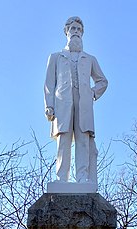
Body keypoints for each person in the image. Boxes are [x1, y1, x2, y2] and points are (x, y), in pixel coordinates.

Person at [44, 16, 108, 184]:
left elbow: (102, 81)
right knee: (63, 140)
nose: (76, 32)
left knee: (83, 140)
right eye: (73, 29)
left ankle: (82, 177)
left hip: (84, 103)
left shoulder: (90, 59)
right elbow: (49, 84)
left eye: (79, 30)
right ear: (66, 32)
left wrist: (92, 93)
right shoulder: (56, 57)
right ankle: (61, 179)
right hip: (62, 103)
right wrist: (49, 105)